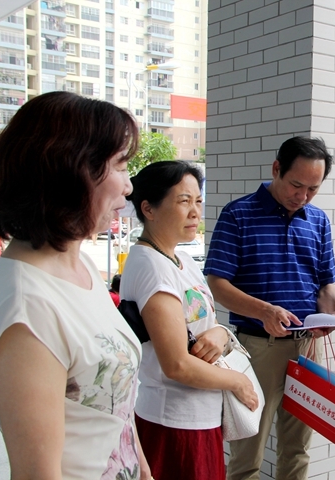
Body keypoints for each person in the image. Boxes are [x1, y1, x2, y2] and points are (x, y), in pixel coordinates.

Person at [0, 91, 150, 479]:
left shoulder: (79, 264)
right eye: (120, 165)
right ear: (71, 171)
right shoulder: (27, 309)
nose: (129, 186)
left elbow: (115, 411)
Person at [204, 136, 335, 480]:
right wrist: (264, 311)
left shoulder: (319, 221)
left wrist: (329, 312)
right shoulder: (238, 215)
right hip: (257, 349)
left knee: (298, 449)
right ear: (276, 169)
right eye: (296, 184)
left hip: (308, 349)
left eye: (313, 188)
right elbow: (217, 284)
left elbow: (326, 284)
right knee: (248, 452)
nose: (303, 196)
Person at [120, 160, 258, 480]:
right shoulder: (152, 267)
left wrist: (221, 333)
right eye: (184, 201)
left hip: (201, 417)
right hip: (174, 424)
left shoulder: (180, 258)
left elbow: (205, 324)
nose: (196, 212)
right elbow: (177, 365)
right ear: (149, 209)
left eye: (198, 200)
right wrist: (238, 381)